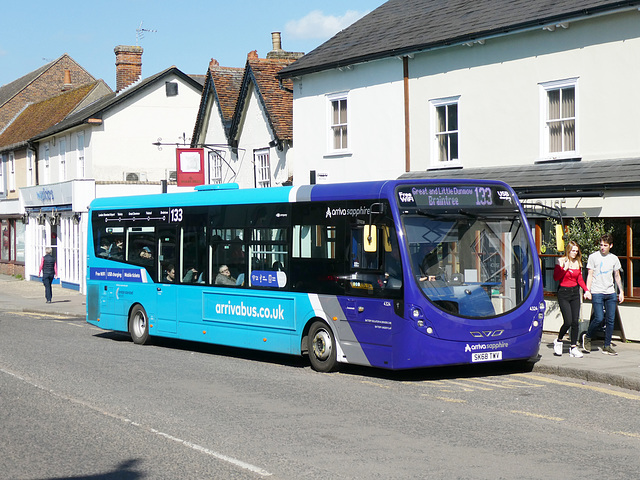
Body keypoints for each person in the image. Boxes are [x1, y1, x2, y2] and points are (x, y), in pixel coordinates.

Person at [582, 234, 624, 355]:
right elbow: (590, 274)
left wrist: (621, 291)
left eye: (605, 245)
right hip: (597, 291)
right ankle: (588, 337)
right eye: (601, 245)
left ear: (611, 245)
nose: (603, 247)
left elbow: (617, 275)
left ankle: (607, 345)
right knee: (599, 317)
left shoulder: (614, 258)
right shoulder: (593, 257)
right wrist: (587, 290)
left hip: (610, 292)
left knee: (610, 320)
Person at [553, 241, 591, 357]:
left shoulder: (578, 262)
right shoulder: (561, 261)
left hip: (575, 293)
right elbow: (556, 277)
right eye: (572, 251)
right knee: (568, 321)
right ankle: (559, 340)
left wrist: (586, 290)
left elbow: (579, 279)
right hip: (563, 293)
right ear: (568, 251)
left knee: (575, 321)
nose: (574, 253)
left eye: (576, 251)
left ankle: (573, 347)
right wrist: (564, 268)